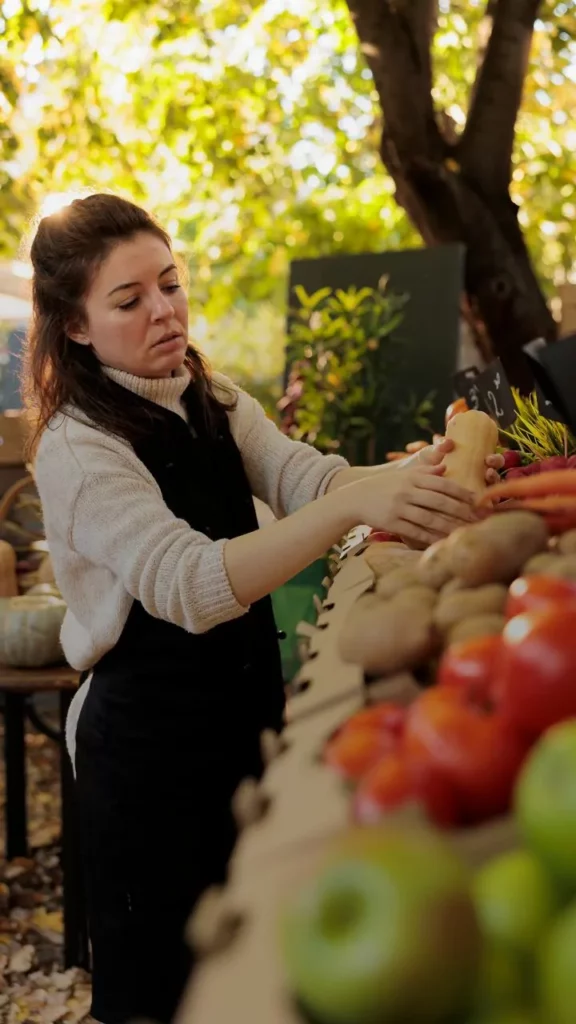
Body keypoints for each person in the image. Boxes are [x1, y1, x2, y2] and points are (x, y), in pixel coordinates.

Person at [25, 193, 501, 1024]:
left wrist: (417, 471)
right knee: (160, 990)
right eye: (130, 301)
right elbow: (189, 586)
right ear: (73, 324)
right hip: (144, 752)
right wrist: (355, 508)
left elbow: (306, 480)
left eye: (169, 284)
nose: (165, 312)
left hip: (238, 710)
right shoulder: (77, 444)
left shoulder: (209, 394)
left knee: (246, 966)